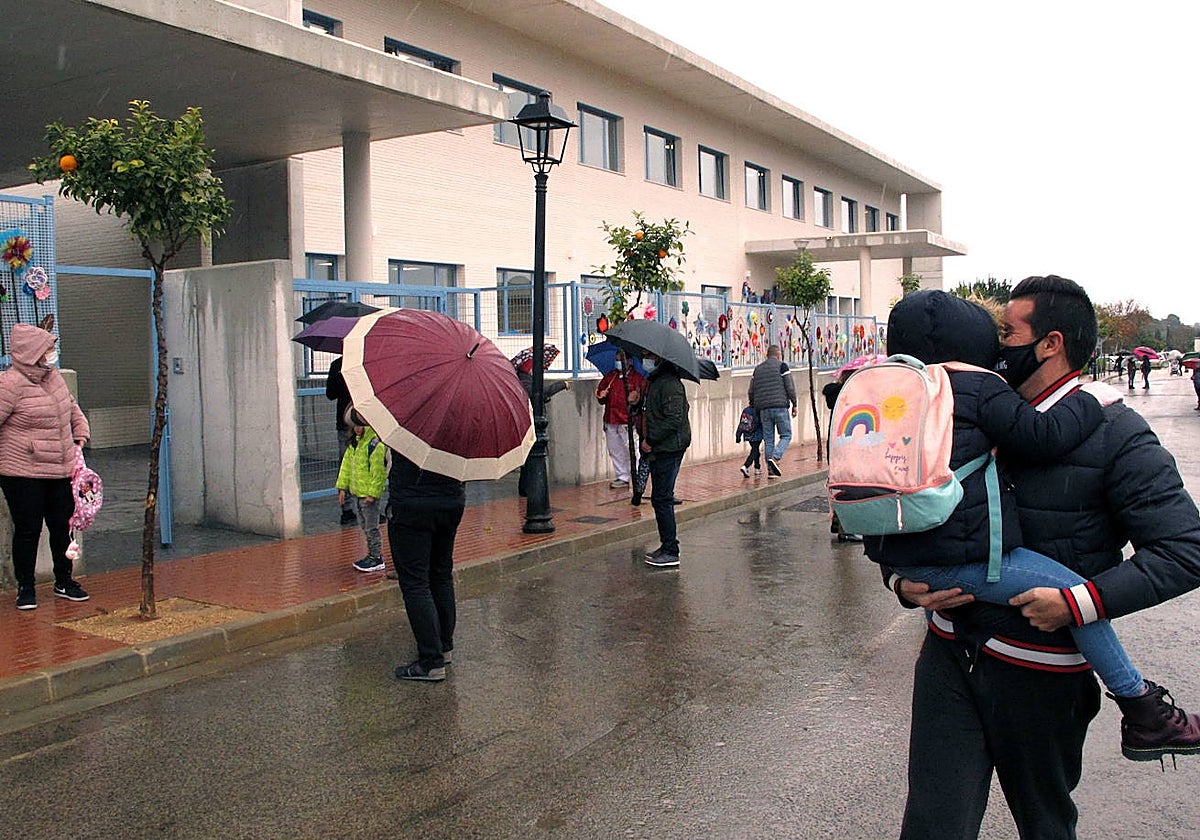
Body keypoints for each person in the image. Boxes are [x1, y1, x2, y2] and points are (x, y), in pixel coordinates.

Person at [891, 276, 1200, 839]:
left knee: (1045, 825)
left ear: (1050, 343)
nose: (993, 347)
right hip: (948, 660)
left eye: (1007, 334)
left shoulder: (1116, 431)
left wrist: (1078, 603)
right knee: (933, 825)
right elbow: (901, 509)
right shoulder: (959, 411)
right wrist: (901, 582)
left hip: (1043, 675)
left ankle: (1144, 709)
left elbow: (1184, 550)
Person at [0, 324, 91, 609]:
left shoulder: (54, 378)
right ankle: (26, 587)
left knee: (63, 526)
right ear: (33, 352)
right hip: (22, 471)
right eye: (48, 348)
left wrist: (81, 431)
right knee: (28, 529)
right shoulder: (10, 384)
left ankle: (64, 580)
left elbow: (71, 408)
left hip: (61, 467)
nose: (52, 353)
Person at [387, 452, 466, 682]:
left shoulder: (408, 427)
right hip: (450, 501)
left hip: (412, 505)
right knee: (441, 576)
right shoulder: (460, 428)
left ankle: (431, 661)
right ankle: (443, 647)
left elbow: (360, 420)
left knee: (416, 584)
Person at [640, 352, 691, 568]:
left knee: (662, 498)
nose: (645, 359)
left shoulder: (669, 384)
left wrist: (651, 439)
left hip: (669, 447)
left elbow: (674, 419)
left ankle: (671, 550)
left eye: (648, 355)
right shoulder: (656, 381)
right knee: (660, 498)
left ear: (659, 358)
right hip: (662, 446)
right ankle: (666, 546)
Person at [336, 409, 388, 573]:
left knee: (371, 527)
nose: (358, 429)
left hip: (367, 496)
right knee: (365, 526)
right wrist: (342, 488)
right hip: (357, 493)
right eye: (355, 426)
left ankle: (376, 556)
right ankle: (371, 554)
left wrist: (373, 493)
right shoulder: (354, 445)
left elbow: (378, 473)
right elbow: (345, 467)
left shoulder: (374, 446)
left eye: (361, 425)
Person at [516, 366, 570, 497]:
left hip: (531, 421)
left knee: (530, 457)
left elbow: (537, 397)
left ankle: (526, 487)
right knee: (531, 456)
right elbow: (537, 394)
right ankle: (528, 488)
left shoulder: (527, 379)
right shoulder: (524, 380)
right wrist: (561, 385)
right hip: (531, 422)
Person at [594, 353, 645, 490]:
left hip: (627, 420)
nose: (618, 363)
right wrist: (602, 396)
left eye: (620, 360)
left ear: (629, 361)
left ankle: (636, 475)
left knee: (632, 450)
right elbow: (601, 396)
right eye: (616, 360)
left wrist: (635, 399)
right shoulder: (611, 377)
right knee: (615, 450)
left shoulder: (637, 378)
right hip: (611, 419)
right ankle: (622, 476)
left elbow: (640, 399)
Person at [748, 344, 796, 478]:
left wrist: (752, 404)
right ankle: (775, 458)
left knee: (768, 440)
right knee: (786, 435)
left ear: (767, 355)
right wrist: (794, 404)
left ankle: (771, 470)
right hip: (780, 406)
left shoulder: (757, 369)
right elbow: (790, 387)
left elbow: (751, 390)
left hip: (763, 409)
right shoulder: (782, 366)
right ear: (779, 355)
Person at [326, 357, 357, 525]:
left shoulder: (337, 365)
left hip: (346, 422)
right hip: (363, 421)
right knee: (364, 463)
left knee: (346, 464)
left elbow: (330, 394)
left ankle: (347, 509)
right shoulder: (362, 361)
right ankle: (357, 507)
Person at [735, 404, 763, 477]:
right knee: (755, 451)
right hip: (757, 434)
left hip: (748, 434)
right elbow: (760, 421)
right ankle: (746, 466)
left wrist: (738, 435)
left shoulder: (746, 410)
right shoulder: (758, 410)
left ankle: (757, 467)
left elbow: (742, 423)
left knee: (755, 449)